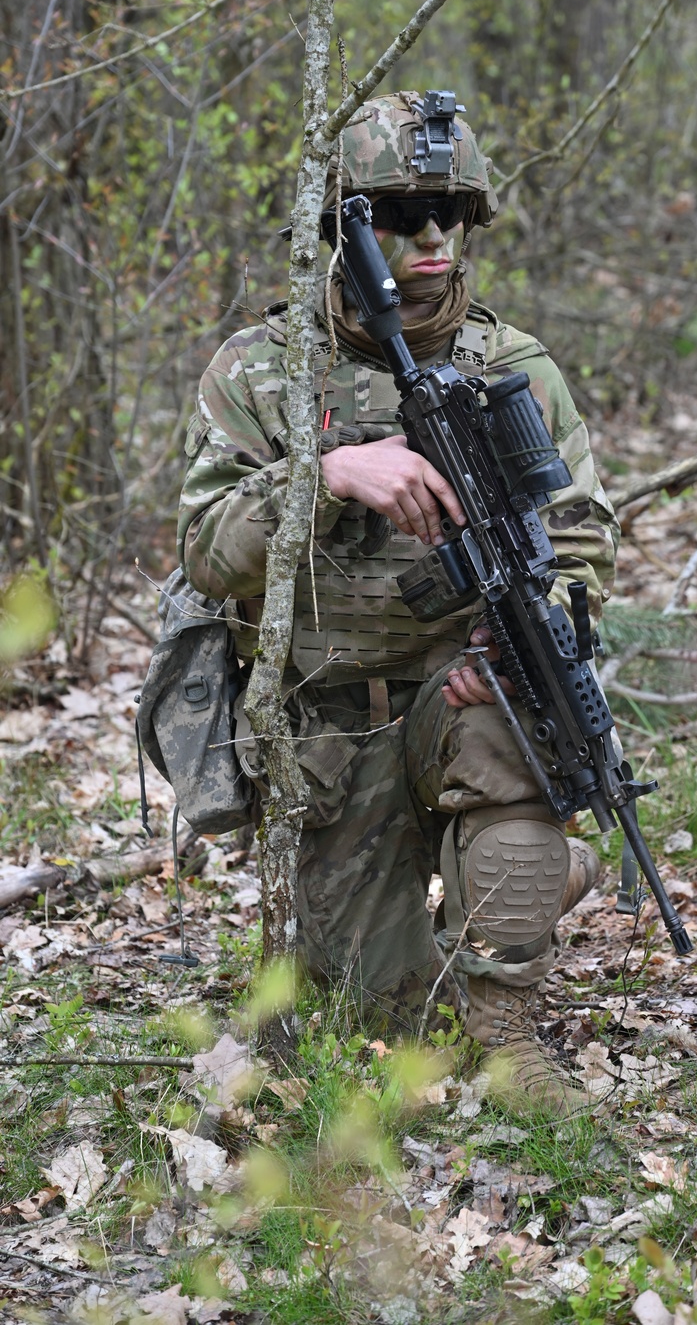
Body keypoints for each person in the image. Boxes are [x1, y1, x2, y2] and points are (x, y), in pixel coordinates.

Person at [176, 91, 619, 1112]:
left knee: (516, 722)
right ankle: (535, 881)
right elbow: (205, 553)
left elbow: (582, 536)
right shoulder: (261, 370)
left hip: (458, 700)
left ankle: (509, 1028)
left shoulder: (511, 368)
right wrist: (326, 476)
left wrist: (521, 640)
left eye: (450, 214)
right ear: (343, 226)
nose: (428, 238)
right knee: (371, 1023)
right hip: (330, 730)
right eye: (395, 213)